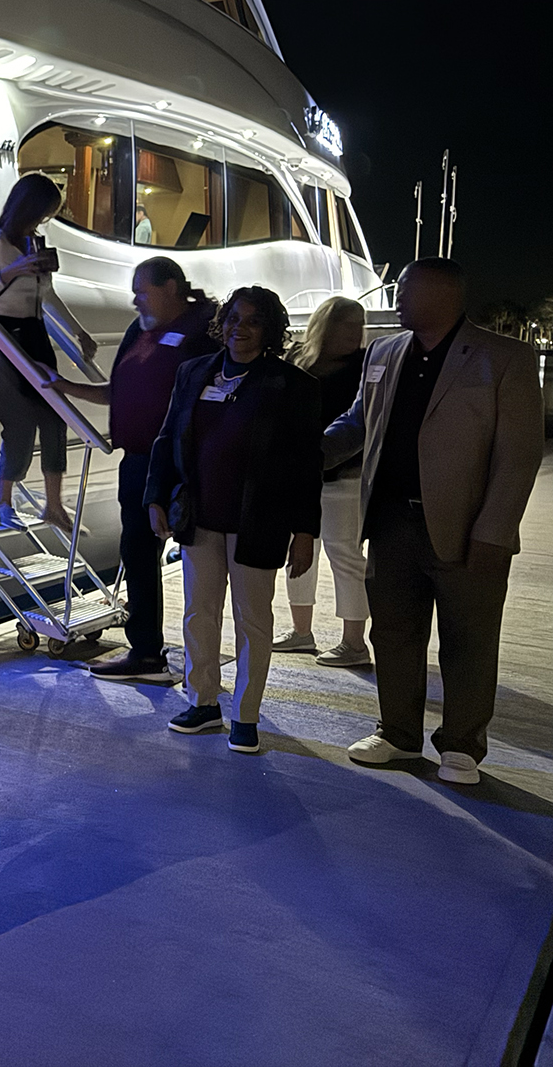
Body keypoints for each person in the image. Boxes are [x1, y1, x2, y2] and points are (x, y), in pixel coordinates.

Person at [327, 259, 542, 786]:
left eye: (405, 289)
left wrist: (495, 530)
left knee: (468, 639)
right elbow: (358, 423)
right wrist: (303, 452)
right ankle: (398, 734)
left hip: (468, 530)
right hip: (392, 522)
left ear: (445, 293)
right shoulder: (383, 352)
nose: (396, 298)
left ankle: (462, 747)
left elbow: (518, 456)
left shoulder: (505, 357)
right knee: (395, 633)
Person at [145, 285, 320, 755]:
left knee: (253, 621)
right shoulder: (193, 372)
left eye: (252, 321)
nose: (238, 329)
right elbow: (167, 439)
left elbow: (307, 465)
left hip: (259, 521)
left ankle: (245, 714)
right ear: (220, 324)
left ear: (270, 330)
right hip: (199, 516)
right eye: (232, 319)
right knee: (199, 616)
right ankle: (202, 702)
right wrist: (155, 497)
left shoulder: (293, 386)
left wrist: (305, 531)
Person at [58, 257, 218, 682]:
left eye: (141, 290)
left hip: (182, 464)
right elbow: (119, 392)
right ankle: (146, 651)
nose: (134, 300)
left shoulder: (203, 332)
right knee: (138, 554)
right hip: (138, 463)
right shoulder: (140, 331)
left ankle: (204, 664)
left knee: (199, 562)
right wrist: (63, 387)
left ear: (170, 287)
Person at [0, 172, 99, 532]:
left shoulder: (34, 242)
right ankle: (2, 501)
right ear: (29, 207)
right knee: (20, 421)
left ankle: (54, 506)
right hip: (3, 334)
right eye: (44, 212)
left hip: (35, 332)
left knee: (54, 416)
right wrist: (10, 272)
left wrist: (78, 331)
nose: (45, 220)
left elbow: (47, 295)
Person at [274, 296, 372, 664]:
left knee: (344, 554)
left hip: (344, 475)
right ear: (326, 326)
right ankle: (301, 632)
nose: (356, 333)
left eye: (359, 325)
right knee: (299, 553)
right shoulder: (298, 360)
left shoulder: (363, 366)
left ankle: (354, 643)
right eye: (348, 324)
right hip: (299, 475)